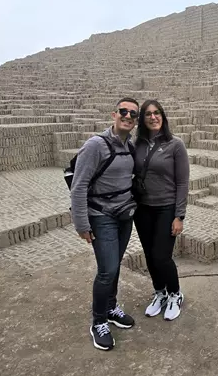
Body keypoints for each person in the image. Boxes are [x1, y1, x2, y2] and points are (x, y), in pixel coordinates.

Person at [70, 97, 140, 351]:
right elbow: (78, 187)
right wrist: (81, 223)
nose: (128, 116)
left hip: (124, 216)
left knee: (115, 265)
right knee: (107, 270)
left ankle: (111, 307)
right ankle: (98, 321)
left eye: (133, 113)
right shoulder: (95, 146)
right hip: (101, 217)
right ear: (114, 114)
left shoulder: (129, 146)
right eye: (123, 111)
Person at [132, 99, 190, 321]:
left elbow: (183, 183)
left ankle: (175, 293)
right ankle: (160, 292)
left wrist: (179, 215)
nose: (153, 117)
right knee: (149, 255)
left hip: (166, 208)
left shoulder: (175, 145)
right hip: (142, 208)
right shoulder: (136, 145)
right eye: (148, 114)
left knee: (162, 256)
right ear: (143, 120)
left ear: (163, 117)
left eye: (157, 113)